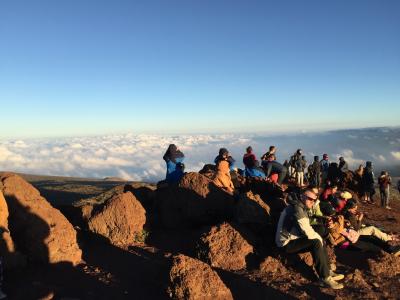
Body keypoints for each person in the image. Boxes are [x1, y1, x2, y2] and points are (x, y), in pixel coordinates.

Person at [275, 189, 344, 289]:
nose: (313, 202)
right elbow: (306, 230)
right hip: (286, 244)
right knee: (316, 241)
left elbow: (308, 220)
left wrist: (323, 220)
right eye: (310, 199)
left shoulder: (300, 205)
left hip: (294, 236)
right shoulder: (297, 208)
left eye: (314, 200)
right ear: (302, 197)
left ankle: (327, 269)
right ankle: (325, 278)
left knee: (320, 232)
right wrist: (319, 239)